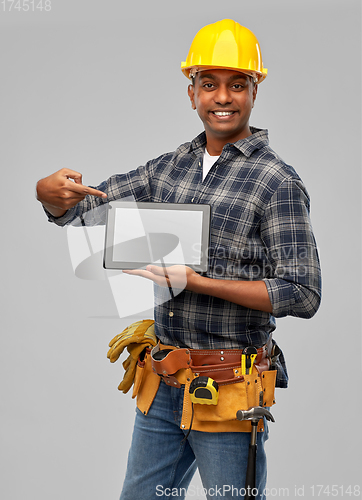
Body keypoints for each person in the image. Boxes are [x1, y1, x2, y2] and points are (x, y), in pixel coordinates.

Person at [36, 19, 321, 500]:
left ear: (255, 91)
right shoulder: (169, 168)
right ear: (192, 93)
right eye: (209, 84)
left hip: (229, 391)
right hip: (163, 385)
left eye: (237, 84)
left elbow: (303, 293)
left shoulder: (277, 183)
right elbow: (86, 207)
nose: (223, 97)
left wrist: (198, 282)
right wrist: (49, 196)